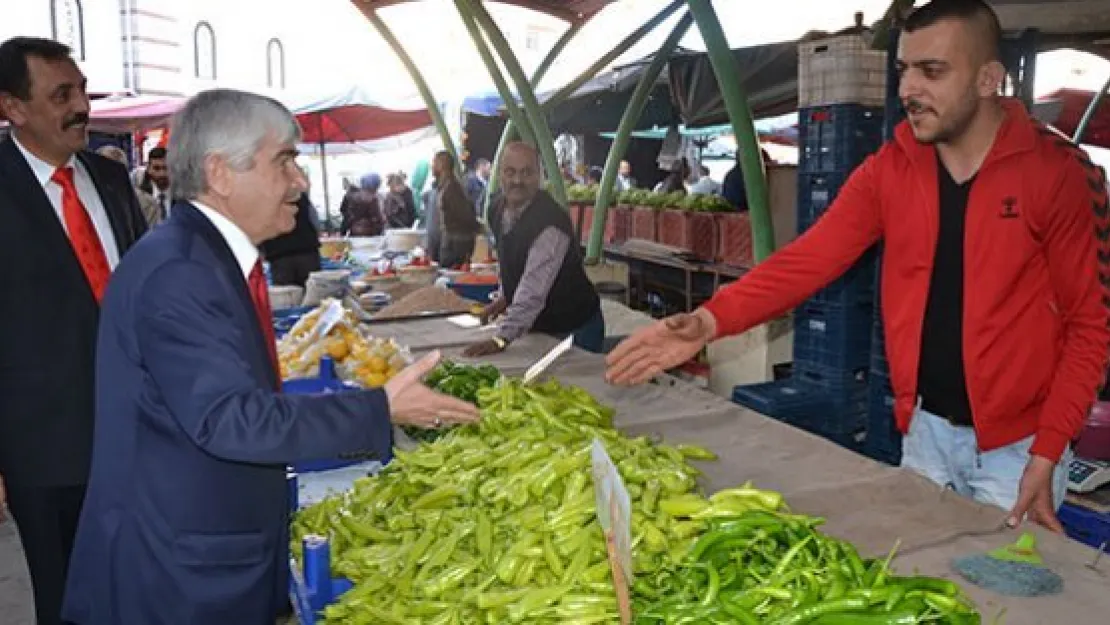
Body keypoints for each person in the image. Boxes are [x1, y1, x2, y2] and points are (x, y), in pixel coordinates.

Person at [607, 0, 1110, 533]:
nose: (908, 89)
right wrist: (709, 321)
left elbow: (1091, 324)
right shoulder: (891, 171)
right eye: (905, 70)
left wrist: (1050, 447)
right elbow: (809, 259)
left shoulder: (1057, 174)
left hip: (1019, 451)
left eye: (932, 71)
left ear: (989, 79)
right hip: (923, 437)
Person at [60, 89, 479, 625]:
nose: (300, 180)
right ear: (221, 173)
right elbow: (228, 418)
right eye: (284, 160)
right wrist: (378, 408)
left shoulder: (203, 257)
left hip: (201, 548)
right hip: (176, 576)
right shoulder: (179, 273)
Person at [0, 36, 148, 625]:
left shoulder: (111, 183)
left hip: (140, 431)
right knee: (69, 602)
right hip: (44, 451)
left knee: (138, 584)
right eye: (61, 95)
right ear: (13, 108)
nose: (81, 107)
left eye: (82, 90)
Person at [464, 142, 604, 357]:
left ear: (539, 176)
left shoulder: (550, 223)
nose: (517, 181)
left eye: (527, 172)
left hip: (574, 329)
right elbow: (509, 260)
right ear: (499, 173)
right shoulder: (496, 209)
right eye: (510, 172)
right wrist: (504, 298)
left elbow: (533, 289)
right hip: (540, 325)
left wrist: (500, 339)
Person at [260, 190, 321, 288]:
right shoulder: (297, 194)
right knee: (312, 292)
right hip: (306, 251)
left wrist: (260, 250)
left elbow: (258, 228)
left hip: (279, 255)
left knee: (286, 297)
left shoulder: (260, 199)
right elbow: (314, 219)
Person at [433, 150, 481, 268]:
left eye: (435, 162)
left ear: (442, 165)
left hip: (456, 244)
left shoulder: (452, 189)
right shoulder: (445, 186)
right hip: (450, 241)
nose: (432, 166)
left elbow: (465, 214)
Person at [339, 172, 384, 236]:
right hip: (369, 232)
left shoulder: (350, 195)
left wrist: (344, 231)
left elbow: (343, 211)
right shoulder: (372, 198)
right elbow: (376, 218)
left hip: (353, 231)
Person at [146, 145, 171, 220]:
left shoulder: (182, 197)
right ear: (148, 169)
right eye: (156, 168)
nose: (162, 174)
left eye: (166, 168)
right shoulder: (140, 198)